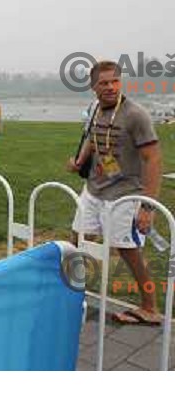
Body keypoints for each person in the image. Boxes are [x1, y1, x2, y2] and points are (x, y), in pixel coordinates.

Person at [68, 60, 163, 325]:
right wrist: (79, 161)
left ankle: (150, 307)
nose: (110, 87)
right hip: (94, 190)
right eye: (104, 83)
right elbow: (91, 135)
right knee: (76, 239)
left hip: (125, 195)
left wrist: (147, 207)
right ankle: (72, 291)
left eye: (115, 81)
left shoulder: (135, 114)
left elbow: (153, 160)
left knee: (128, 251)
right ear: (93, 86)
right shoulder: (95, 108)